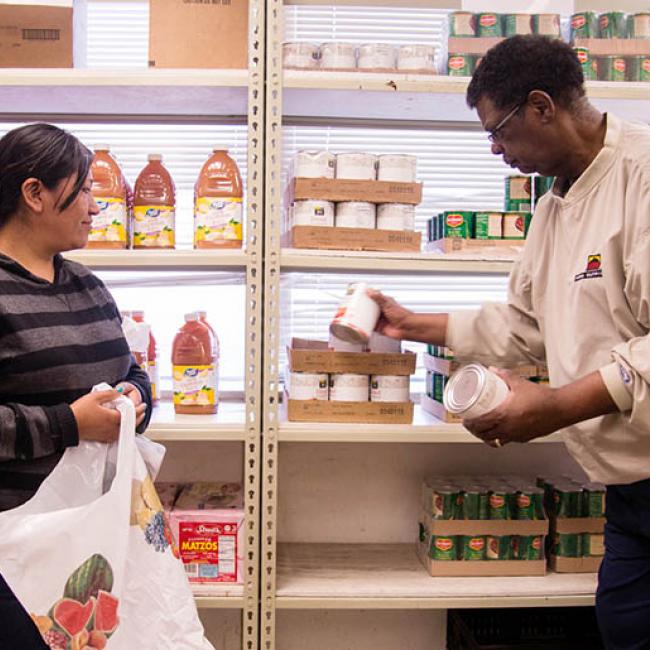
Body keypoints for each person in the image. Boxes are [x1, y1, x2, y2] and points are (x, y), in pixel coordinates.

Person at [370, 35, 650, 650]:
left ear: (542, 106)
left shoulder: (641, 178)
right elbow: (527, 324)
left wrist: (553, 407)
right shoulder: (554, 205)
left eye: (499, 131)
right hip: (629, 491)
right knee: (624, 627)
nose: (495, 150)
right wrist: (412, 325)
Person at [0, 123, 152, 648]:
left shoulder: (87, 284)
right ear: (34, 193)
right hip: (14, 555)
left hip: (94, 541)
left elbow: (131, 371)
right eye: (84, 188)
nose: (95, 205)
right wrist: (71, 423)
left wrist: (137, 398)